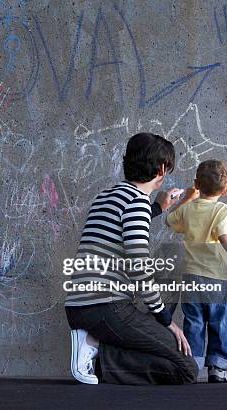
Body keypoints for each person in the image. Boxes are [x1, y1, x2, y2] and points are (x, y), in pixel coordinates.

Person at [65, 132, 198, 385]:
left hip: (80, 303)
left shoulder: (106, 197)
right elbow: (138, 266)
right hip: (105, 306)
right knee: (186, 369)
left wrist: (158, 208)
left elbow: (123, 223)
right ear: (161, 169)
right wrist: (166, 321)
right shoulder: (136, 203)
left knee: (168, 285)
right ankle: (98, 352)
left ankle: (98, 341)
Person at [165, 160, 227, 383]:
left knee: (193, 321)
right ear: (226, 190)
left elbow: (168, 220)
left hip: (191, 276)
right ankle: (217, 368)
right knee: (217, 320)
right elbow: (225, 239)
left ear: (196, 184)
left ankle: (191, 367)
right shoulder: (222, 210)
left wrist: (187, 197)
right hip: (216, 277)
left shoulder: (188, 209)